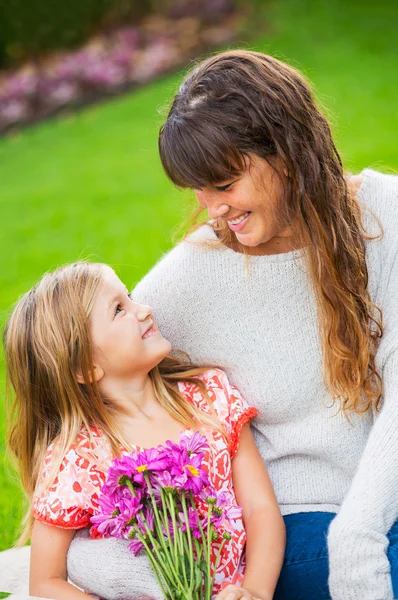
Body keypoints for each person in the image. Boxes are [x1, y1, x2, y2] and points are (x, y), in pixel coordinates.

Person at [128, 50, 398, 600]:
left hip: (375, 512)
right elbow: (94, 407)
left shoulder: (385, 215)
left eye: (224, 184)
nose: (212, 209)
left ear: (288, 152)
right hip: (299, 522)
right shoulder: (185, 284)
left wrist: (359, 535)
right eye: (197, 190)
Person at [3, 261, 285, 600]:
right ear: (85, 367)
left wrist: (254, 591)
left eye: (131, 297)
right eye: (120, 309)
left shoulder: (210, 397)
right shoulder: (80, 458)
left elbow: (260, 509)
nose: (144, 310)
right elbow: (46, 581)